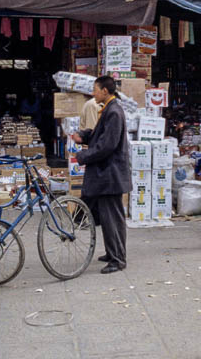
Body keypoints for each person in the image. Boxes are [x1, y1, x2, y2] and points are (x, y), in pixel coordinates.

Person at [72, 76, 131, 274]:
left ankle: (117, 259)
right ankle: (112, 252)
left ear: (105, 91)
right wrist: (85, 136)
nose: (93, 93)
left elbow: (107, 145)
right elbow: (101, 135)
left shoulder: (114, 111)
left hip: (110, 174)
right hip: (106, 174)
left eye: (96, 89)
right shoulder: (107, 109)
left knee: (112, 217)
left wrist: (83, 156)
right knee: (108, 217)